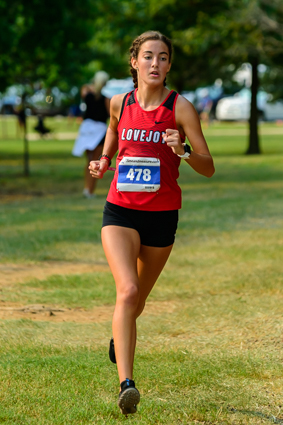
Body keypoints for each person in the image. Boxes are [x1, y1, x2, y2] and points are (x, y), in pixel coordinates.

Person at [89, 31, 215, 415]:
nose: (155, 64)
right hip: (120, 211)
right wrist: (104, 160)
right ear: (134, 62)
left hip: (161, 217)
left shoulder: (181, 108)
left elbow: (208, 167)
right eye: (148, 57)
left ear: (169, 65)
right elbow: (113, 131)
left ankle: (119, 333)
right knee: (126, 291)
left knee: (138, 299)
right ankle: (127, 384)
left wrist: (184, 150)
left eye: (163, 58)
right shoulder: (119, 103)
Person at [72, 72, 110, 198]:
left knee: (89, 161)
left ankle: (87, 189)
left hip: (87, 130)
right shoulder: (106, 99)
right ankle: (90, 190)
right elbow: (111, 115)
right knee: (96, 162)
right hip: (99, 131)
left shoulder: (87, 95)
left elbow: (84, 89)